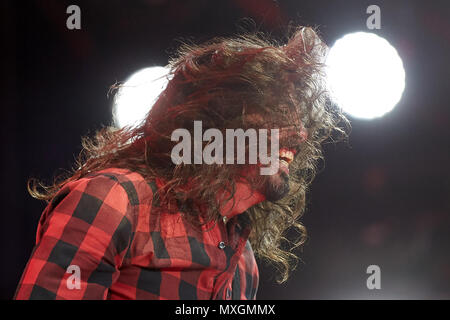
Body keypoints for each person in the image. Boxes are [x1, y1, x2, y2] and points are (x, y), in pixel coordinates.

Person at [14, 26, 348, 300]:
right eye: (278, 115)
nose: (301, 134)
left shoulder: (242, 260)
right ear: (219, 123)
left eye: (299, 118)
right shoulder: (115, 200)